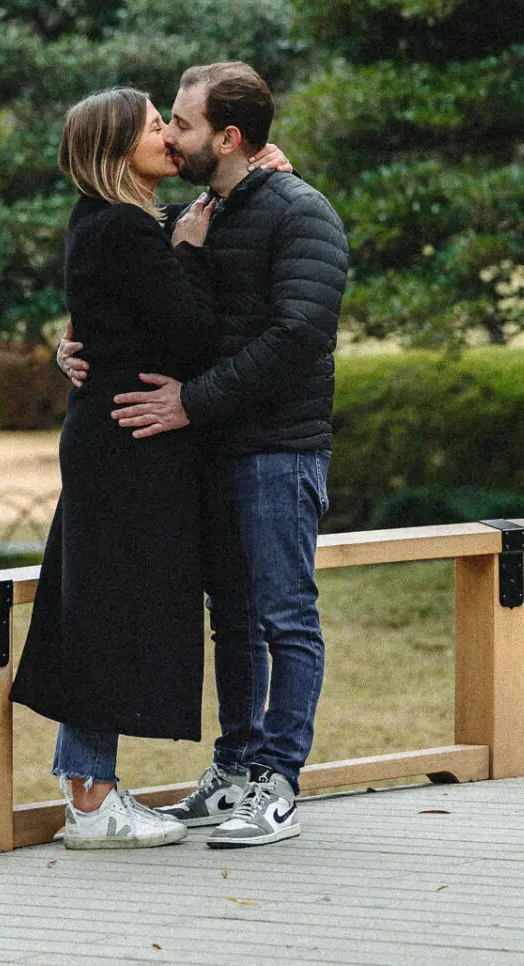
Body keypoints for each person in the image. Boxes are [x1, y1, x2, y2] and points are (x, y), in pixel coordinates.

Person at [59, 60, 348, 849]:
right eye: (163, 123)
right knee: (234, 622)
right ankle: (235, 769)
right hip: (207, 450)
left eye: (180, 124)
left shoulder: (299, 211)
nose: (171, 136)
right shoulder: (190, 214)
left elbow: (298, 336)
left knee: (285, 616)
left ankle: (277, 782)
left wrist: (191, 399)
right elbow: (138, 304)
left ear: (226, 138)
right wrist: (77, 346)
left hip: (276, 448)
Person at [10, 87, 219, 851]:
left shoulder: (101, 219)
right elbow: (191, 331)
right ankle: (93, 801)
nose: (169, 136)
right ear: (117, 146)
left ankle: (89, 787)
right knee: (109, 610)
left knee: (97, 602)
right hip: (130, 444)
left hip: (108, 438)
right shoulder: (127, 229)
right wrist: (188, 250)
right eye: (156, 126)